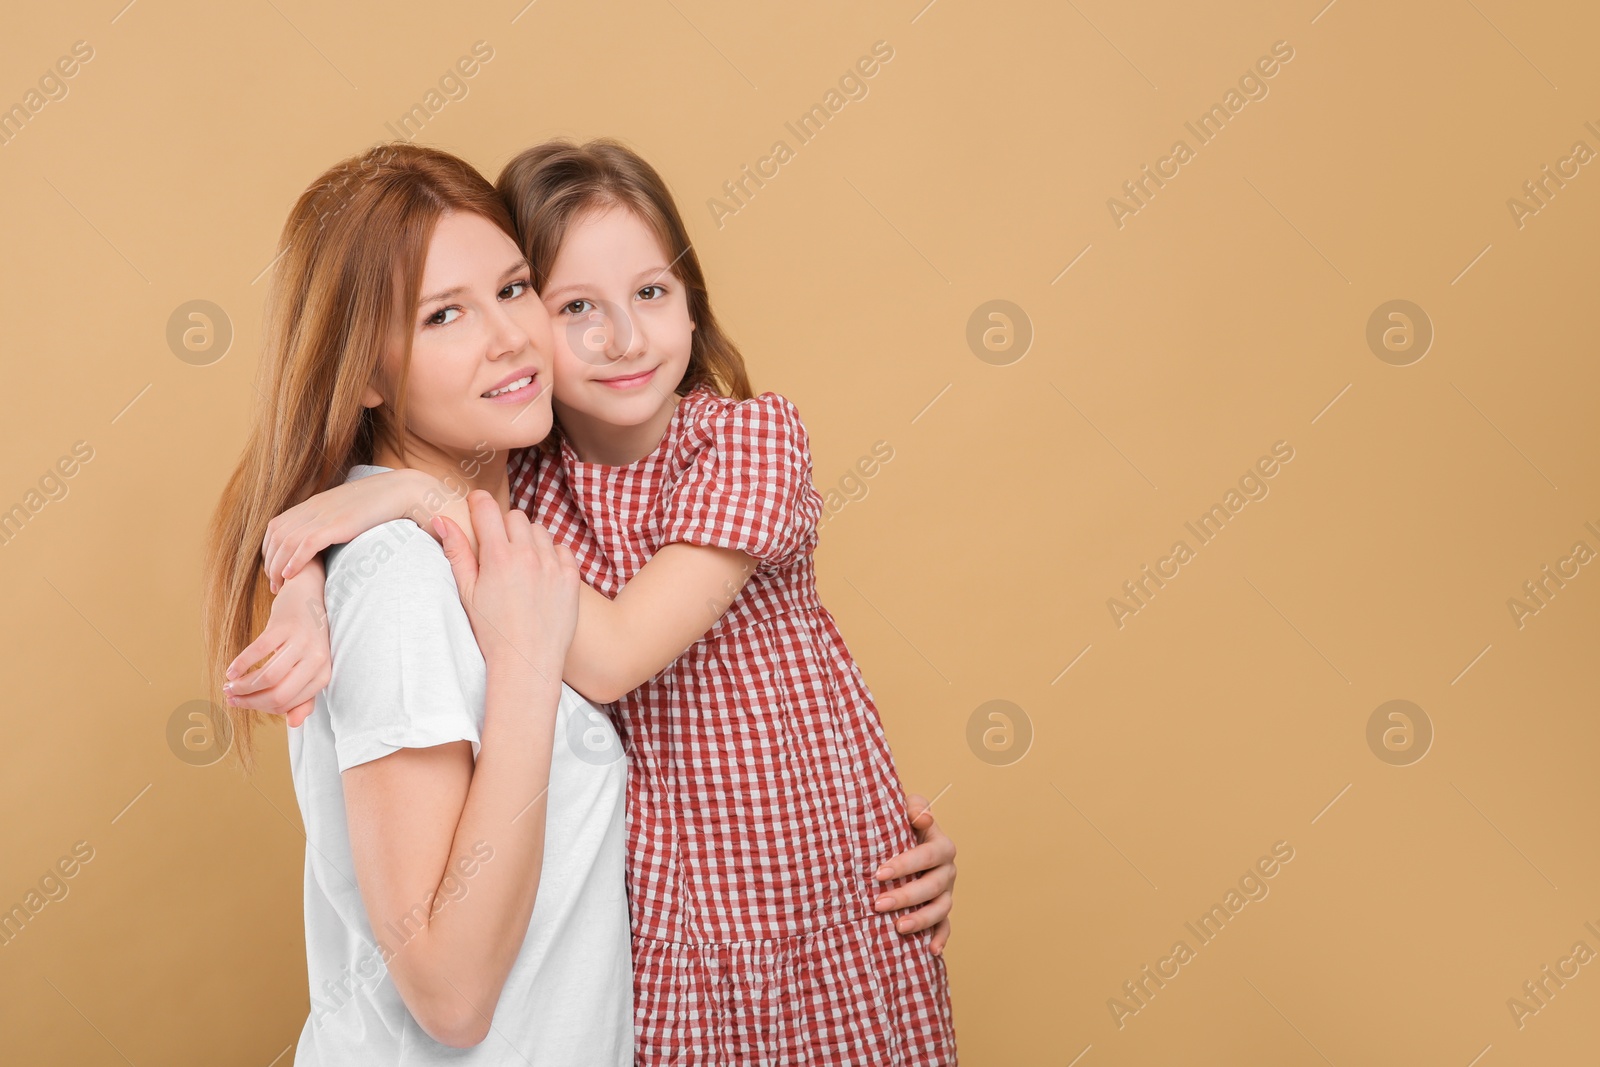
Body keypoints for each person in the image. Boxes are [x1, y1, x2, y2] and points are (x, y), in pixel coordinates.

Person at [236, 138, 958, 1064]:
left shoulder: (601, 471)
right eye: (573, 304)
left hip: (811, 914)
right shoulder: (515, 506)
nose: (615, 334)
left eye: (510, 291)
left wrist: (384, 516)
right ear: (368, 372)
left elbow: (594, 638)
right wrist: (309, 576)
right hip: (675, 964)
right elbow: (350, 529)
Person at [201, 142, 632, 1063]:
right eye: (444, 315)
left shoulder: (534, 528)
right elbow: (448, 989)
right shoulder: (398, 580)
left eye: (515, 289)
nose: (510, 336)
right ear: (366, 373)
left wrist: (856, 856)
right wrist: (523, 669)